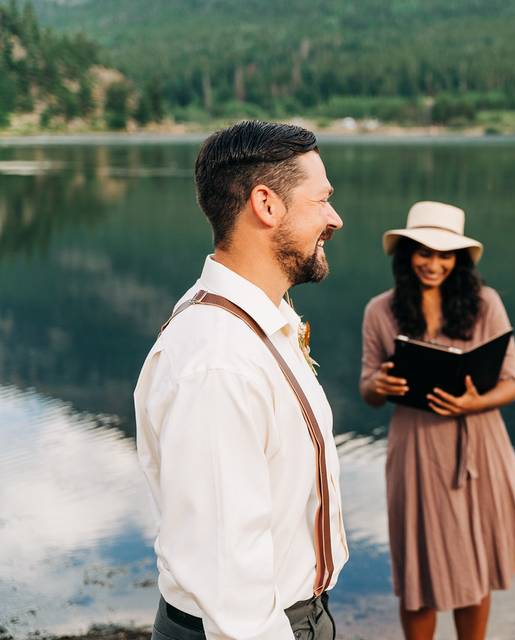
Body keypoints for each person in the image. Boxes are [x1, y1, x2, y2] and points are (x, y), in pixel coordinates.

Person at [134, 120, 348, 640]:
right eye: (321, 200)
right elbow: (230, 584)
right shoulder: (218, 363)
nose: (335, 219)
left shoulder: (260, 320)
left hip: (294, 615)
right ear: (266, 205)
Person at [359, 201, 515, 640]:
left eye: (445, 255)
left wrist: (473, 403)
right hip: (414, 449)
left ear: (459, 259)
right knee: (417, 574)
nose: (434, 264)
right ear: (406, 253)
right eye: (424, 253)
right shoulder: (380, 310)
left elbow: (512, 383)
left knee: (473, 564)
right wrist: (381, 385)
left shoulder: (486, 303)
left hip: (478, 444)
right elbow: (367, 388)